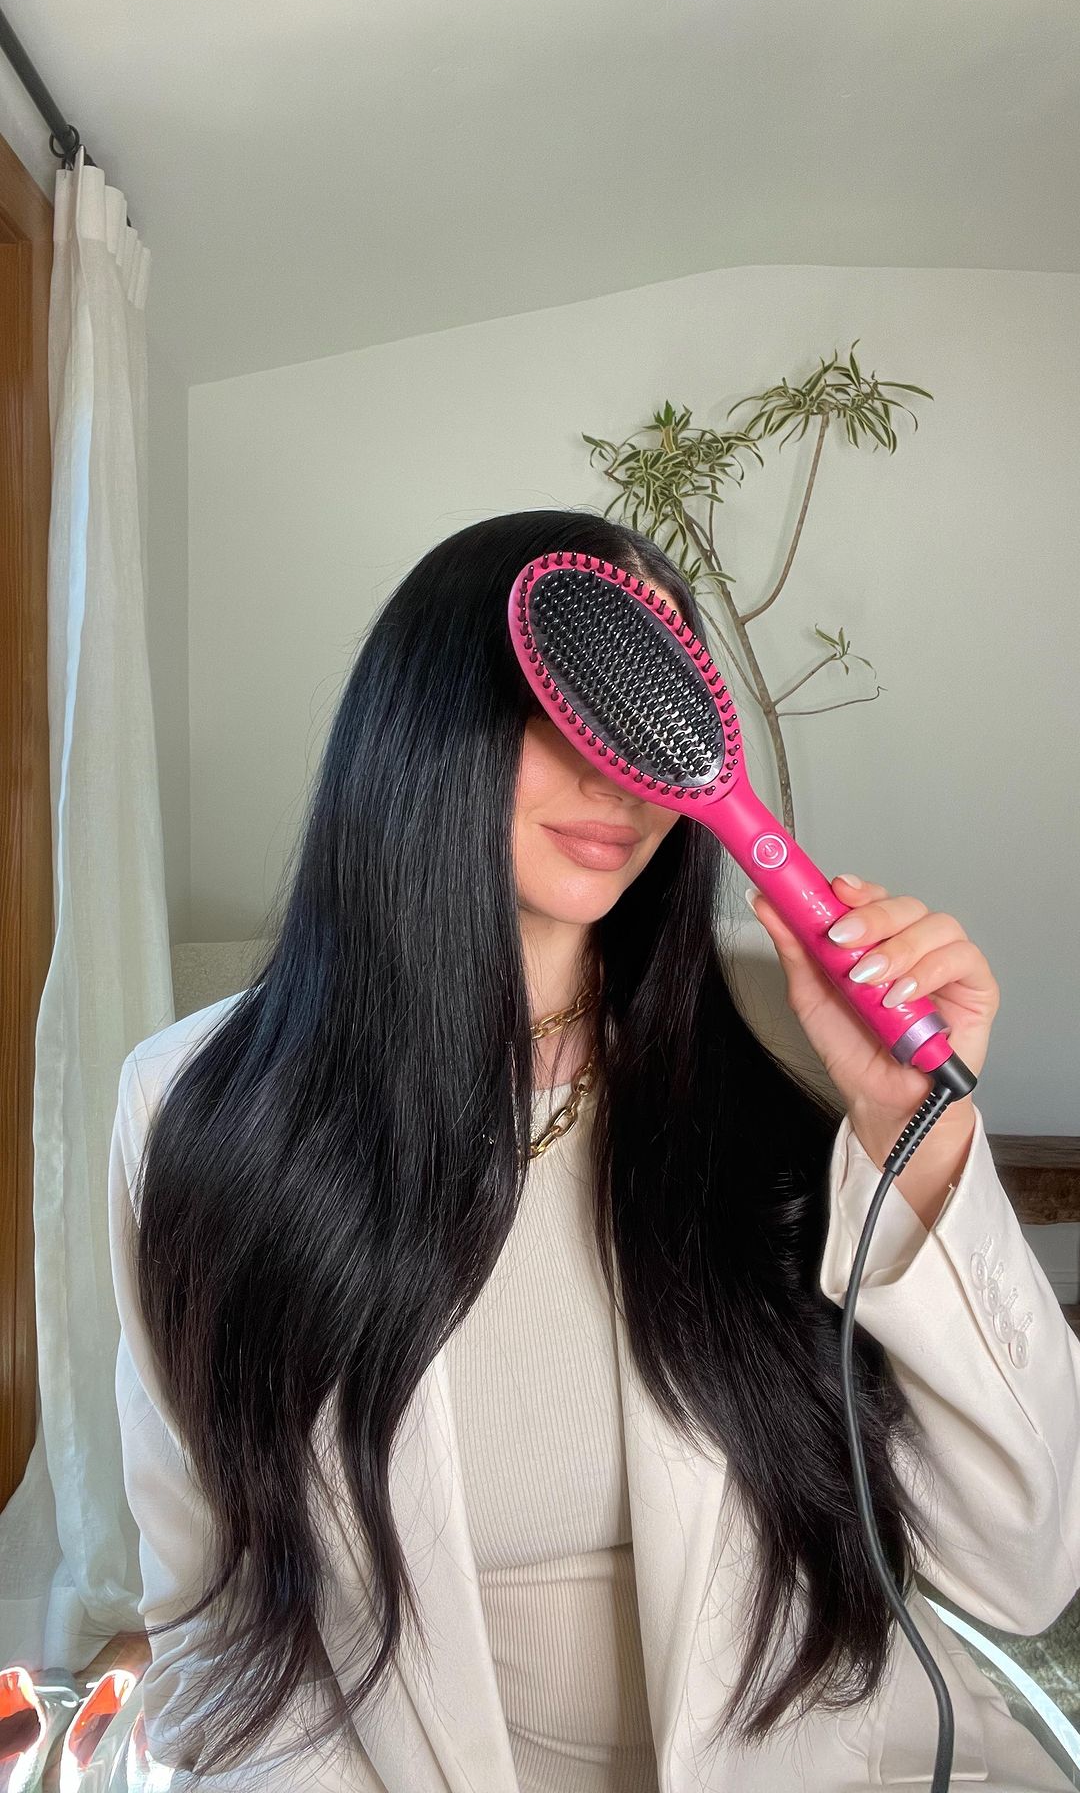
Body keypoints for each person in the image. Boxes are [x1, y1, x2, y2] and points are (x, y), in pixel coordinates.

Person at [107, 508, 1080, 1791]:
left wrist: (920, 1139)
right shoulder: (193, 1107)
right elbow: (213, 1613)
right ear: (425, 718)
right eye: (563, 700)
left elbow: (1022, 1567)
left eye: (647, 717)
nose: (617, 776)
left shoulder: (793, 1068)